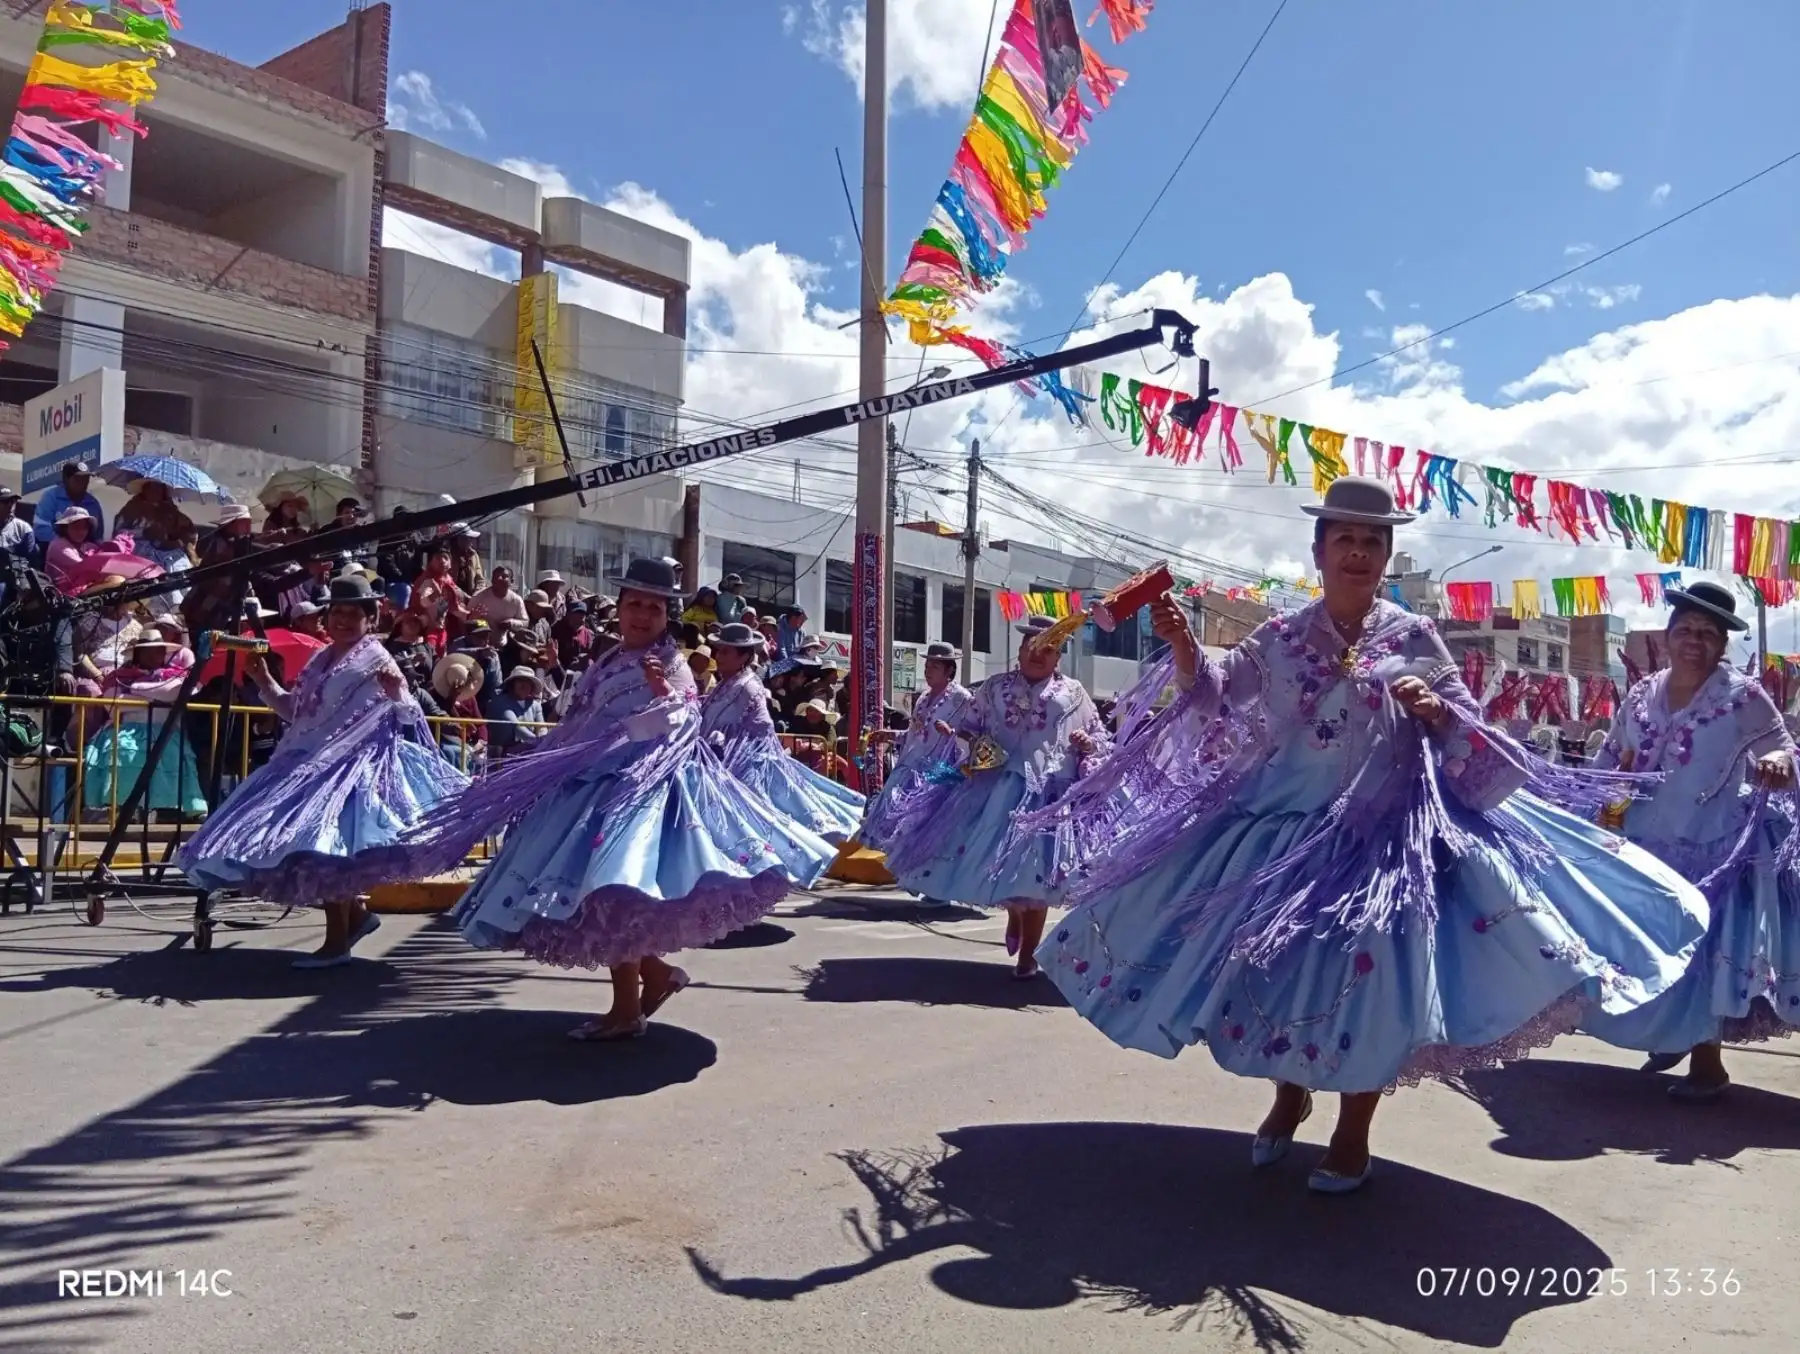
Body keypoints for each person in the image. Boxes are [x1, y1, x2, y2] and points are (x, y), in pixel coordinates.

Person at [1028, 478, 1709, 1194]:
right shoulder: (1282, 637)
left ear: (1386, 556)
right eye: (1345, 539)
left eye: (1372, 542)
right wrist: (1182, 645)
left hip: (1384, 844)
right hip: (1283, 839)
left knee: (1369, 988)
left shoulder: (1414, 637)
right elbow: (1219, 698)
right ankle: (1290, 1092)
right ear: (1319, 553)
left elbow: (1469, 726)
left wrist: (1434, 709)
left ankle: (1353, 1132)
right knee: (1279, 977)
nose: (1358, 552)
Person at [365, 558, 834, 1041]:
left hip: (635, 793)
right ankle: (652, 979)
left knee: (614, 895)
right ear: (620, 607)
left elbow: (686, 721)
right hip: (589, 786)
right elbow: (580, 718)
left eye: (654, 607)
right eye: (634, 604)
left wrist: (661, 696)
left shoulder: (671, 663)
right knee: (603, 900)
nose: (642, 615)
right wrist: (550, 755)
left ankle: (630, 1006)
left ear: (666, 615)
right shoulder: (609, 659)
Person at [177, 575, 469, 968]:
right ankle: (357, 920)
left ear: (370, 618)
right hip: (304, 760)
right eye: (337, 612)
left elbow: (410, 715)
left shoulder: (377, 658)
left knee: (326, 850)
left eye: (353, 613)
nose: (343, 620)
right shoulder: (320, 658)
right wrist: (263, 679)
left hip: (351, 766)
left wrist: (398, 692)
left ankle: (337, 943)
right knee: (315, 849)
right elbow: (295, 711)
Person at [1581, 581, 1800, 1098]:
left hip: (1714, 849)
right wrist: (1591, 802)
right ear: (1668, 635)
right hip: (1646, 847)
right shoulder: (1642, 694)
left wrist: (1777, 760)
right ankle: (1672, 1035)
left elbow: (1785, 748)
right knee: (1649, 949)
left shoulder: (1743, 696)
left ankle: (1708, 1066)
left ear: (1722, 645)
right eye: (1686, 630)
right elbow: (1611, 756)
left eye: (1708, 633)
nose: (1694, 641)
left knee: (1703, 955)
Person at [870, 615, 1111, 979]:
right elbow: (967, 728)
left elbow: (1098, 737)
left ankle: (1028, 954)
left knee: (1035, 874)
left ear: (1058, 656)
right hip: (995, 790)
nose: (1038, 655)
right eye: (1032, 647)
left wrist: (1087, 744)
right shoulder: (994, 688)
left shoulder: (1074, 694)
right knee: (1003, 868)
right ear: (1020, 650)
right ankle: (1015, 914)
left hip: (1048, 795)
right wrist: (977, 744)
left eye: (1048, 649)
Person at [702, 622, 865, 847]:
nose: (718, 656)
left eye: (725, 651)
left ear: (744, 656)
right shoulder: (725, 685)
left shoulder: (749, 687)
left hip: (745, 767)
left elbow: (759, 730)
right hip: (719, 763)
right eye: (718, 650)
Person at [83, 637, 208, 822]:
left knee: (174, 754)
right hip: (126, 729)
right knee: (122, 752)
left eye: (159, 650)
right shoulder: (120, 675)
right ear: (137, 653)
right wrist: (155, 698)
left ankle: (174, 810)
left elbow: (179, 692)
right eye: (147, 650)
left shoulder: (175, 675)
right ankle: (122, 808)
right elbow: (113, 701)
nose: (154, 654)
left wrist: (134, 690)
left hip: (165, 730)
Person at [862, 641, 972, 850]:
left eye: (935, 667)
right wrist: (891, 735)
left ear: (949, 670)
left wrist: (951, 733)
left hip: (938, 774)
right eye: (927, 666)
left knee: (920, 827)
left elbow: (972, 736)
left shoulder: (962, 699)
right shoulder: (922, 698)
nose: (928, 671)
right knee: (890, 809)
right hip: (911, 767)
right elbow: (914, 735)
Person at [45, 507, 162, 595]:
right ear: (65, 528)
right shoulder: (58, 545)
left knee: (136, 585)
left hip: (86, 585)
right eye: (75, 527)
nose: (80, 531)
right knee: (117, 581)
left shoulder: (88, 546)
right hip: (65, 593)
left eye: (84, 527)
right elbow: (84, 567)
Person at [33, 460, 104, 548]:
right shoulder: (50, 497)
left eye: (86, 478)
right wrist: (68, 546)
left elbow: (98, 536)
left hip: (85, 552)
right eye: (78, 479)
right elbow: (41, 530)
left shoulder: (93, 503)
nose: (83, 482)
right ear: (66, 479)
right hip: (53, 549)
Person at [488, 666, 547, 760]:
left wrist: (544, 740)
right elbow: (515, 725)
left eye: (528, 682)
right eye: (520, 681)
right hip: (504, 753)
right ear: (512, 684)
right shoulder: (500, 701)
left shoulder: (535, 705)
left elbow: (541, 726)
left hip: (531, 751)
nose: (524, 685)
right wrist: (537, 742)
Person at [469, 565, 528, 630]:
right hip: (480, 635)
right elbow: (467, 620)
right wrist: (484, 623)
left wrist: (511, 623)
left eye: (504, 576)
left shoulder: (516, 600)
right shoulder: (479, 596)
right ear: (492, 580)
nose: (499, 578)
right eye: (496, 576)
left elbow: (525, 622)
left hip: (506, 635)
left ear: (511, 581)